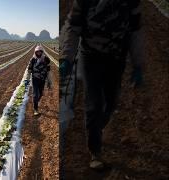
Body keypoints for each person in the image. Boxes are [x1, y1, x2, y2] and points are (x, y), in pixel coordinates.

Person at [60, 0, 145, 169]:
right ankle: (95, 151)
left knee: (111, 103)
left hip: (116, 59)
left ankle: (97, 128)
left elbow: (136, 31)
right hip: (91, 58)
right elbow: (73, 27)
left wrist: (138, 64)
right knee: (94, 104)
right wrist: (66, 58)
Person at [26, 45, 52, 116]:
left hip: (42, 79)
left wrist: (49, 81)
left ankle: (35, 102)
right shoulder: (33, 60)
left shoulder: (46, 59)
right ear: (35, 52)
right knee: (35, 94)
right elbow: (29, 70)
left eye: (40, 52)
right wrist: (27, 79)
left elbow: (48, 71)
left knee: (40, 93)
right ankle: (35, 109)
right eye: (37, 52)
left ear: (42, 52)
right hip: (35, 79)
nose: (38, 53)